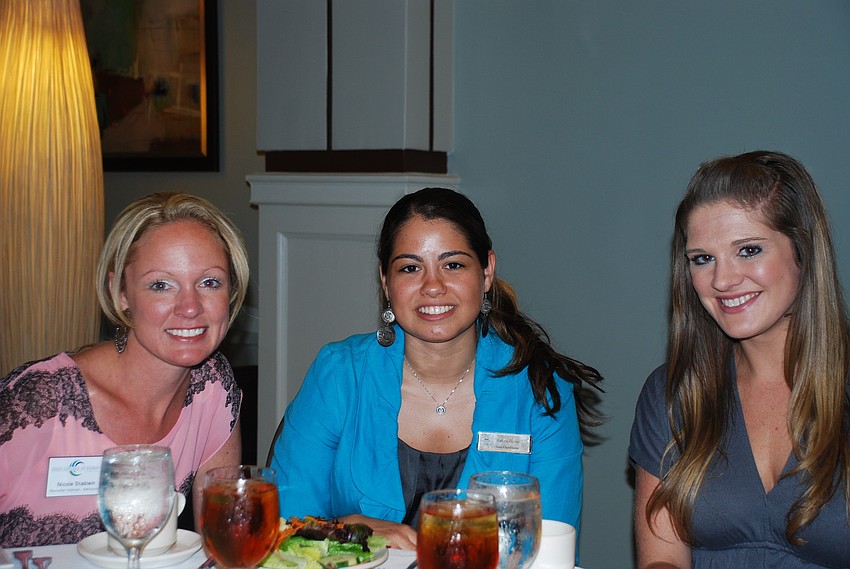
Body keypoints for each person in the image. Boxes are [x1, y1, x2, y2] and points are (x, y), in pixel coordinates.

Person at [271, 187, 603, 550]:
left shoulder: (542, 390)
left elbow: (549, 549)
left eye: (453, 265)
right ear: (385, 281)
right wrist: (346, 528)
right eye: (410, 268)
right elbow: (283, 523)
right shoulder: (338, 374)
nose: (432, 286)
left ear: (487, 271)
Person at [630, 151, 850, 568]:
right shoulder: (674, 394)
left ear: (802, 252)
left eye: (748, 250)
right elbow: (662, 560)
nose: (722, 280)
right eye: (703, 258)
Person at [0, 192, 249, 547]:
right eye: (161, 285)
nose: (190, 307)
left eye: (209, 282)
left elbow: (221, 545)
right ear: (121, 294)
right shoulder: (38, 403)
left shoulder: (213, 387)